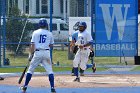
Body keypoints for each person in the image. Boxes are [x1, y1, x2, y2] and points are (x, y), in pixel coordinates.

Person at [20, 18, 56, 93]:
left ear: (39, 25)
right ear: (46, 25)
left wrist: (30, 54)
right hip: (46, 52)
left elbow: (32, 45)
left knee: (30, 70)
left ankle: (25, 87)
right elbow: (51, 46)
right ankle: (52, 88)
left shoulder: (35, 32)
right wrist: (45, 46)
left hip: (37, 53)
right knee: (50, 71)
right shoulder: (49, 33)